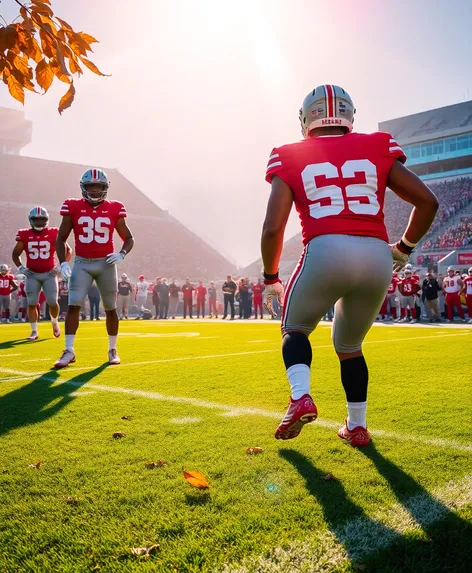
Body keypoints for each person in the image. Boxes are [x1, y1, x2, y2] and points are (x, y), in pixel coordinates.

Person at [261, 84, 438, 446]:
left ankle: (300, 397)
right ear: (349, 115)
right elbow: (428, 202)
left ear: (305, 119)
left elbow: (273, 227)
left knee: (294, 328)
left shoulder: (289, 154)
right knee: (350, 346)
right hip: (375, 254)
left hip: (324, 246)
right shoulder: (378, 144)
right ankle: (356, 426)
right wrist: (403, 248)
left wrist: (270, 277)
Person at [54, 168, 134, 368]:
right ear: (84, 187)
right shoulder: (72, 206)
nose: (95, 190)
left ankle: (112, 348)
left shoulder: (116, 208)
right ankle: (69, 350)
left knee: (111, 308)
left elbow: (129, 238)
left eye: (99, 187)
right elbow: (61, 238)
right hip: (82, 262)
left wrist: (122, 253)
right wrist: (63, 262)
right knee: (73, 305)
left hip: (106, 263)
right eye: (91, 186)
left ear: (105, 188)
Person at [12, 207, 71, 339]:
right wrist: (21, 268)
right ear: (31, 220)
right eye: (36, 220)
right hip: (32, 274)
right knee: (32, 303)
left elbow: (68, 250)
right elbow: (16, 254)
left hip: (49, 273)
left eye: (41, 220)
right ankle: (34, 331)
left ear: (46, 220)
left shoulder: (54, 232)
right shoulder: (24, 234)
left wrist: (62, 266)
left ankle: (54, 322)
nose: (39, 223)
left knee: (53, 302)